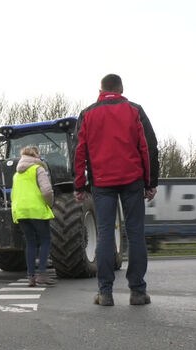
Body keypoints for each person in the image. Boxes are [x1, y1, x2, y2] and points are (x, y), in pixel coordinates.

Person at [73, 73, 159, 306]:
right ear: (121, 89)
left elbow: (79, 152)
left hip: (102, 183)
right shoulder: (135, 110)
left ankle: (105, 292)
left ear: (100, 90)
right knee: (135, 233)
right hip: (133, 181)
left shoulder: (88, 114)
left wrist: (79, 185)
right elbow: (149, 146)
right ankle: (138, 292)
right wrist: (151, 182)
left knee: (104, 234)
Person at [11, 146, 57, 287]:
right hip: (36, 210)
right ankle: (42, 274)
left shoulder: (16, 175)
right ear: (35, 155)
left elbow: (13, 194)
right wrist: (50, 204)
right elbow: (47, 191)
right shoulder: (38, 169)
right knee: (45, 240)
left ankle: (31, 277)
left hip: (21, 212)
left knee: (30, 243)